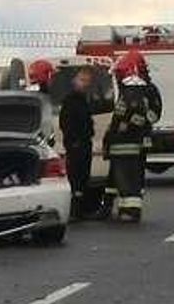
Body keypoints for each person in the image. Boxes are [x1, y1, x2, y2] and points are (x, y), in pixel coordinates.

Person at [105, 50, 162, 223]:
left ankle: (130, 211)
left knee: (129, 177)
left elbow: (151, 115)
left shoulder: (137, 90)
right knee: (120, 178)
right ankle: (117, 207)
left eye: (120, 73)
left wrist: (130, 125)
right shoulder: (136, 90)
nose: (118, 78)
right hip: (124, 144)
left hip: (129, 144)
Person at [60, 66, 96, 220]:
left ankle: (82, 209)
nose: (85, 84)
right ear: (75, 81)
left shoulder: (83, 100)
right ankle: (74, 210)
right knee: (75, 178)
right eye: (82, 80)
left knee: (83, 178)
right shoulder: (70, 101)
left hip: (85, 144)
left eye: (87, 81)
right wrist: (73, 141)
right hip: (76, 146)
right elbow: (66, 123)